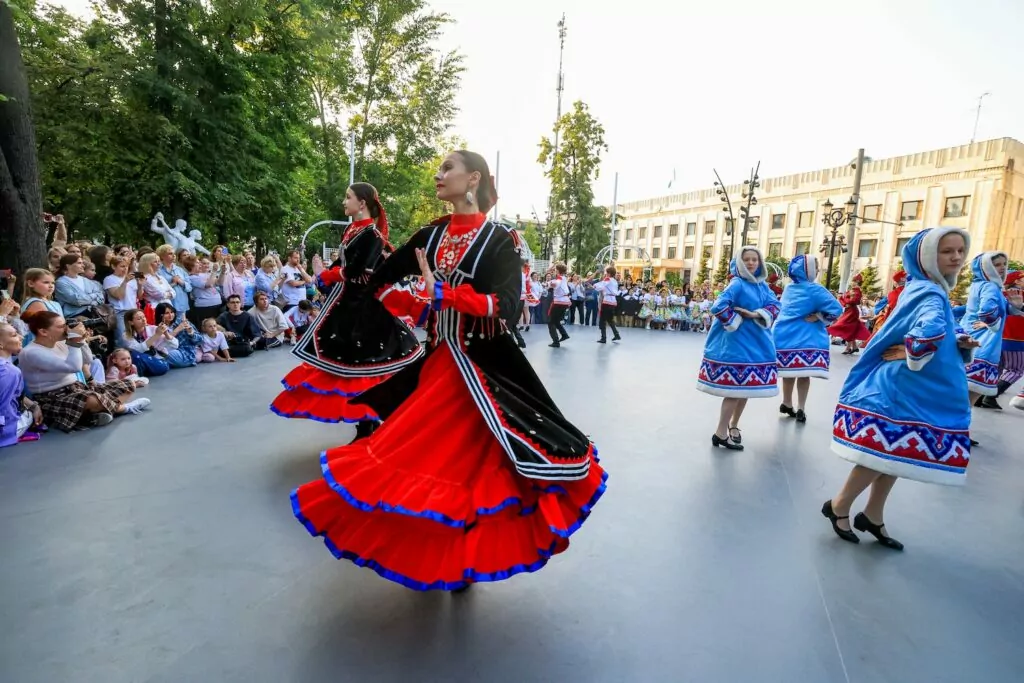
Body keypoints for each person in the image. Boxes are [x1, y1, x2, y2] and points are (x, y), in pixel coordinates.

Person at [288, 150, 606, 592]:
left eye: (447, 169)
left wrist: (447, 295)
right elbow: (378, 278)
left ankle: (464, 556)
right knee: (430, 463)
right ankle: (445, 557)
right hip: (439, 364)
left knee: (477, 467)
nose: (438, 176)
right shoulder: (430, 235)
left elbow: (509, 307)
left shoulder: (499, 239)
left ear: (473, 178)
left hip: (484, 369)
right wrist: (392, 311)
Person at [824, 227, 978, 550]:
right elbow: (928, 329)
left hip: (903, 385)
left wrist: (952, 341)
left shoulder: (924, 286)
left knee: (892, 452)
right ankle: (839, 505)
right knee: (877, 453)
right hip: (903, 387)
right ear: (927, 257)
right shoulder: (932, 293)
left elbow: (932, 329)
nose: (956, 257)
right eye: (947, 251)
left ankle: (872, 513)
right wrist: (916, 349)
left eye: (960, 251)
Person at [271, 183, 423, 435]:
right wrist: (324, 274)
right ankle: (365, 423)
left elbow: (358, 271)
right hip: (348, 304)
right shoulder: (354, 230)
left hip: (362, 307)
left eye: (348, 197)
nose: (344, 202)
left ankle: (369, 423)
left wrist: (327, 274)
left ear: (362, 203)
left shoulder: (373, 235)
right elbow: (345, 266)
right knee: (350, 367)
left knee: (364, 366)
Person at [697, 247, 780, 451]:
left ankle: (733, 426)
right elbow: (719, 306)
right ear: (740, 263)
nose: (751, 263)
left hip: (756, 343)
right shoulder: (737, 283)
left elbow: (775, 305)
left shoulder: (762, 286)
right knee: (734, 391)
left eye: (755, 260)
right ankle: (720, 432)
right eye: (747, 260)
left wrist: (754, 315)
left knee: (744, 390)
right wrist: (736, 320)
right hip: (735, 344)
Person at [18, 311, 149, 431]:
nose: (66, 329)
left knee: (128, 385)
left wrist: (81, 340)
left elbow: (87, 360)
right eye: (60, 326)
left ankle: (95, 414)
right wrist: (74, 342)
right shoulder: (31, 352)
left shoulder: (61, 342)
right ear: (43, 331)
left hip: (76, 387)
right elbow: (73, 367)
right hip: (52, 397)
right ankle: (123, 409)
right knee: (91, 399)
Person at [772, 254, 844, 423]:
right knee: (804, 374)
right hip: (806, 338)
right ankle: (801, 408)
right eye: (816, 267)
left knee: (789, 373)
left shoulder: (789, 288)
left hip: (784, 335)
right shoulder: (815, 289)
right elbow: (837, 309)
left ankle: (786, 403)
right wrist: (819, 316)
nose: (818, 270)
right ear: (808, 270)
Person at [961, 251, 1022, 405]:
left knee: (962, 395)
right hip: (983, 343)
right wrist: (991, 323)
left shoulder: (978, 284)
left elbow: (991, 310)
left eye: (1003, 264)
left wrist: (1014, 307)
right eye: (996, 264)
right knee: (968, 399)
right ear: (986, 267)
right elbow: (987, 311)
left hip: (971, 339)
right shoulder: (991, 286)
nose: (1002, 268)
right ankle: (954, 427)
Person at [0, 323, 44, 447]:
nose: (21, 337)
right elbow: (4, 409)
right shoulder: (9, 371)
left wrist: (34, 406)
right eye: (14, 335)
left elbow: (13, 395)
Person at [986, 270, 1024, 408]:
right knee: (1015, 370)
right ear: (1017, 281)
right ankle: (991, 395)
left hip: (999, 336)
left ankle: (983, 397)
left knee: (998, 367)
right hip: (1017, 338)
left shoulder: (1001, 294)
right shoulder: (1019, 295)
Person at [119, 309, 171, 377]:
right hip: (143, 364)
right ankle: (136, 377)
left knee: (136, 356)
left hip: (160, 362)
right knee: (133, 355)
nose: (143, 320)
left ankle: (136, 377)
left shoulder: (153, 328)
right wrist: (156, 335)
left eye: (144, 317)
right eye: (139, 318)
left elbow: (175, 344)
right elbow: (139, 349)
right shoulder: (126, 335)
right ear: (131, 322)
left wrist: (165, 333)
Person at [827, 273, 869, 354]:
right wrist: (844, 300)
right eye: (852, 281)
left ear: (857, 282)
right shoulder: (851, 290)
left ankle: (849, 348)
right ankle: (853, 347)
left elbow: (853, 301)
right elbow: (843, 300)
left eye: (854, 281)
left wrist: (845, 299)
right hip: (848, 310)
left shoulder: (857, 291)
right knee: (851, 329)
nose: (852, 283)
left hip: (852, 312)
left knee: (846, 327)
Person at [54, 254, 105, 319]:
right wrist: (94, 296)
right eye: (79, 263)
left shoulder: (86, 280)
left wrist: (88, 300)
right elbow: (77, 300)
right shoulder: (61, 282)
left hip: (94, 312)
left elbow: (101, 297)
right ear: (68, 266)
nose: (83, 265)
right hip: (75, 316)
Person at [868, 270, 906, 339]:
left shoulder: (891, 294)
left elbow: (878, 306)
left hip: (892, 319)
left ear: (895, 283)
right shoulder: (911, 291)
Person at [594, 266, 621, 343]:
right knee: (610, 319)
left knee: (602, 319)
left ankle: (603, 338)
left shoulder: (608, 279)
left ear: (609, 273)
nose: (605, 274)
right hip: (613, 302)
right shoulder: (615, 281)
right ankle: (616, 334)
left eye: (606, 272)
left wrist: (594, 286)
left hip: (607, 301)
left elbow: (601, 285)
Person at [546, 263, 571, 347]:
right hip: (564, 302)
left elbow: (556, 284)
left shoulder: (560, 278)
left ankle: (556, 341)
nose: (554, 271)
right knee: (556, 321)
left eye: (555, 269)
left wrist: (549, 284)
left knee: (551, 322)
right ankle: (564, 334)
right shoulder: (563, 278)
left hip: (559, 302)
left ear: (558, 270)